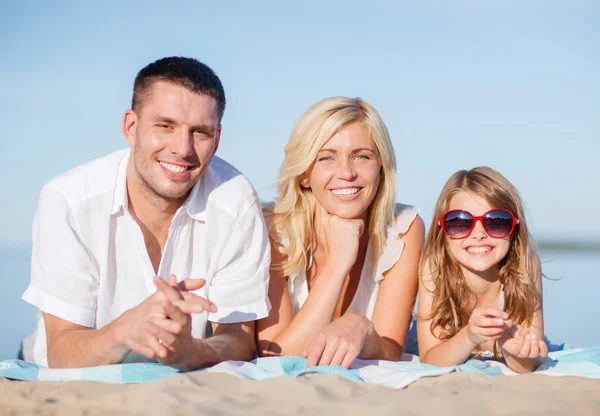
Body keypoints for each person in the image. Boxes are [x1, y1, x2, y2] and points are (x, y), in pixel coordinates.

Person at [21, 57, 271, 370]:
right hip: (56, 373)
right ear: (131, 127)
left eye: (200, 132)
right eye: (165, 126)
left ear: (217, 139)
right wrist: (126, 329)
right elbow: (61, 352)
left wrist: (193, 352)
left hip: (180, 375)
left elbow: (239, 339)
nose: (182, 148)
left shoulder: (237, 203)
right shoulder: (69, 200)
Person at [256, 97, 423, 368]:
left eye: (361, 156)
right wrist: (338, 263)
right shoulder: (272, 229)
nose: (346, 173)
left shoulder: (404, 228)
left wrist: (360, 327)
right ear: (304, 175)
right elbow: (277, 357)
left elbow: (391, 351)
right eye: (326, 158)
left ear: (380, 166)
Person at [417, 167, 547, 373]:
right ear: (442, 230)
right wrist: (469, 336)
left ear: (514, 226)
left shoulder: (526, 265)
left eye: (496, 221)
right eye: (460, 222)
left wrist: (514, 351)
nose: (478, 234)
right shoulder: (434, 268)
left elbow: (528, 367)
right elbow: (430, 360)